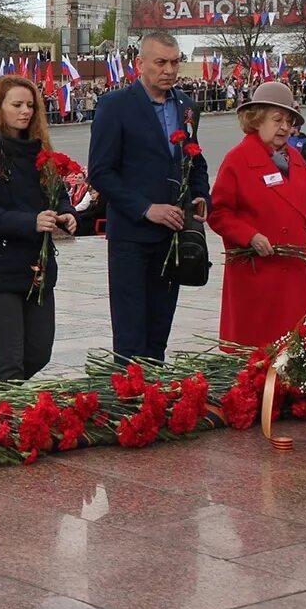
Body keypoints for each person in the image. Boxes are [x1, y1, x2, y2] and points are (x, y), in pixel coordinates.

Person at [89, 31, 210, 363]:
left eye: (174, 62)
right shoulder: (115, 106)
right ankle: (128, 406)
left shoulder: (187, 106)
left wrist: (201, 195)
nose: (169, 70)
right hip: (131, 237)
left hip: (173, 238)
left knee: (158, 335)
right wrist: (146, 209)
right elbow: (100, 173)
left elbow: (194, 159)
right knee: (130, 339)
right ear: (140, 64)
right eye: (160, 62)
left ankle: (153, 405)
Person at [0, 75, 76, 382]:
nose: (25, 111)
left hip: (36, 268)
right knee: (10, 362)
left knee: (38, 352)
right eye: (17, 105)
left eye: (30, 105)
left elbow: (57, 192)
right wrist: (31, 222)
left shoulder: (40, 151)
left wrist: (66, 213)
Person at [206, 83, 306, 349]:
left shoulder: (298, 162)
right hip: (257, 275)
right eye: (277, 120)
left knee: (293, 352)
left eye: (289, 121)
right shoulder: (237, 159)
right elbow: (218, 213)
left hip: (294, 276)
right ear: (256, 120)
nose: (284, 128)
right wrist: (250, 236)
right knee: (256, 353)